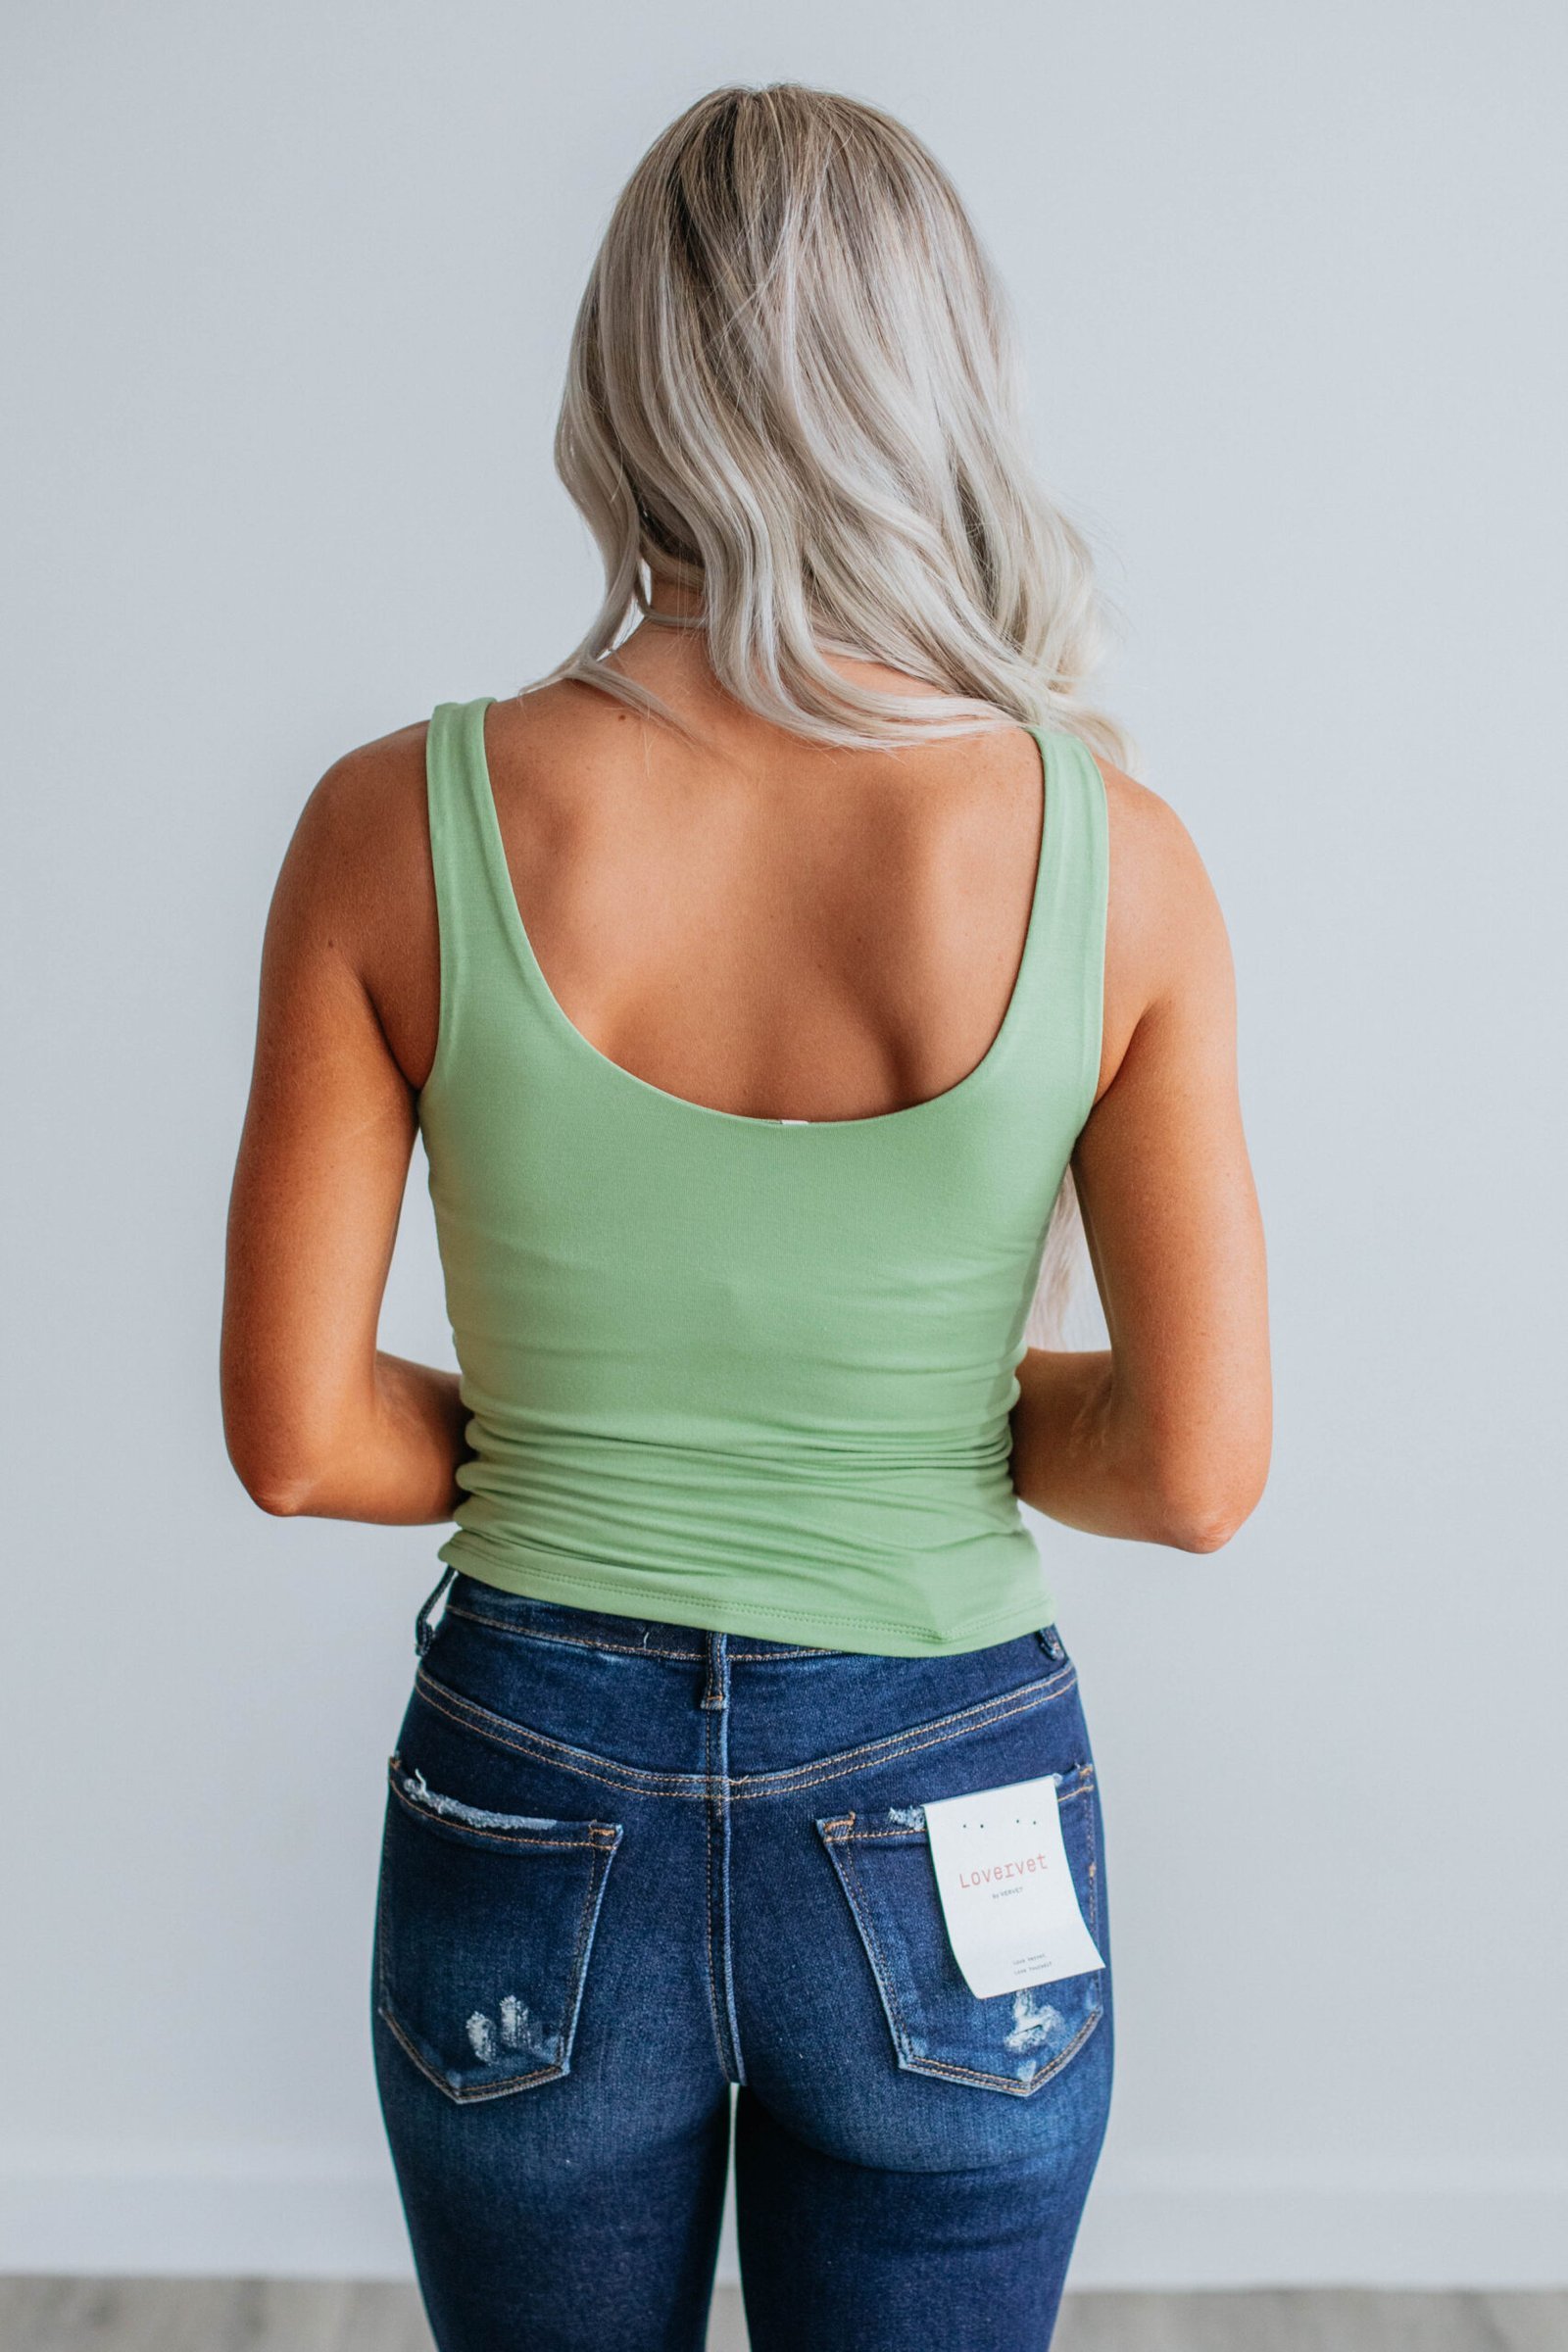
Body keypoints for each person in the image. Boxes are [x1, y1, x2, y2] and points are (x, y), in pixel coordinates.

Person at [220, 80, 1270, 2352]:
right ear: (940, 382)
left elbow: (296, 1441)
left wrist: (611, 1436)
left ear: (620, 379)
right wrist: (884, 1424)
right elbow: (1193, 1473)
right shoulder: (1111, 859)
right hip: (944, 1787)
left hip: (533, 1782)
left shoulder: (398, 822)